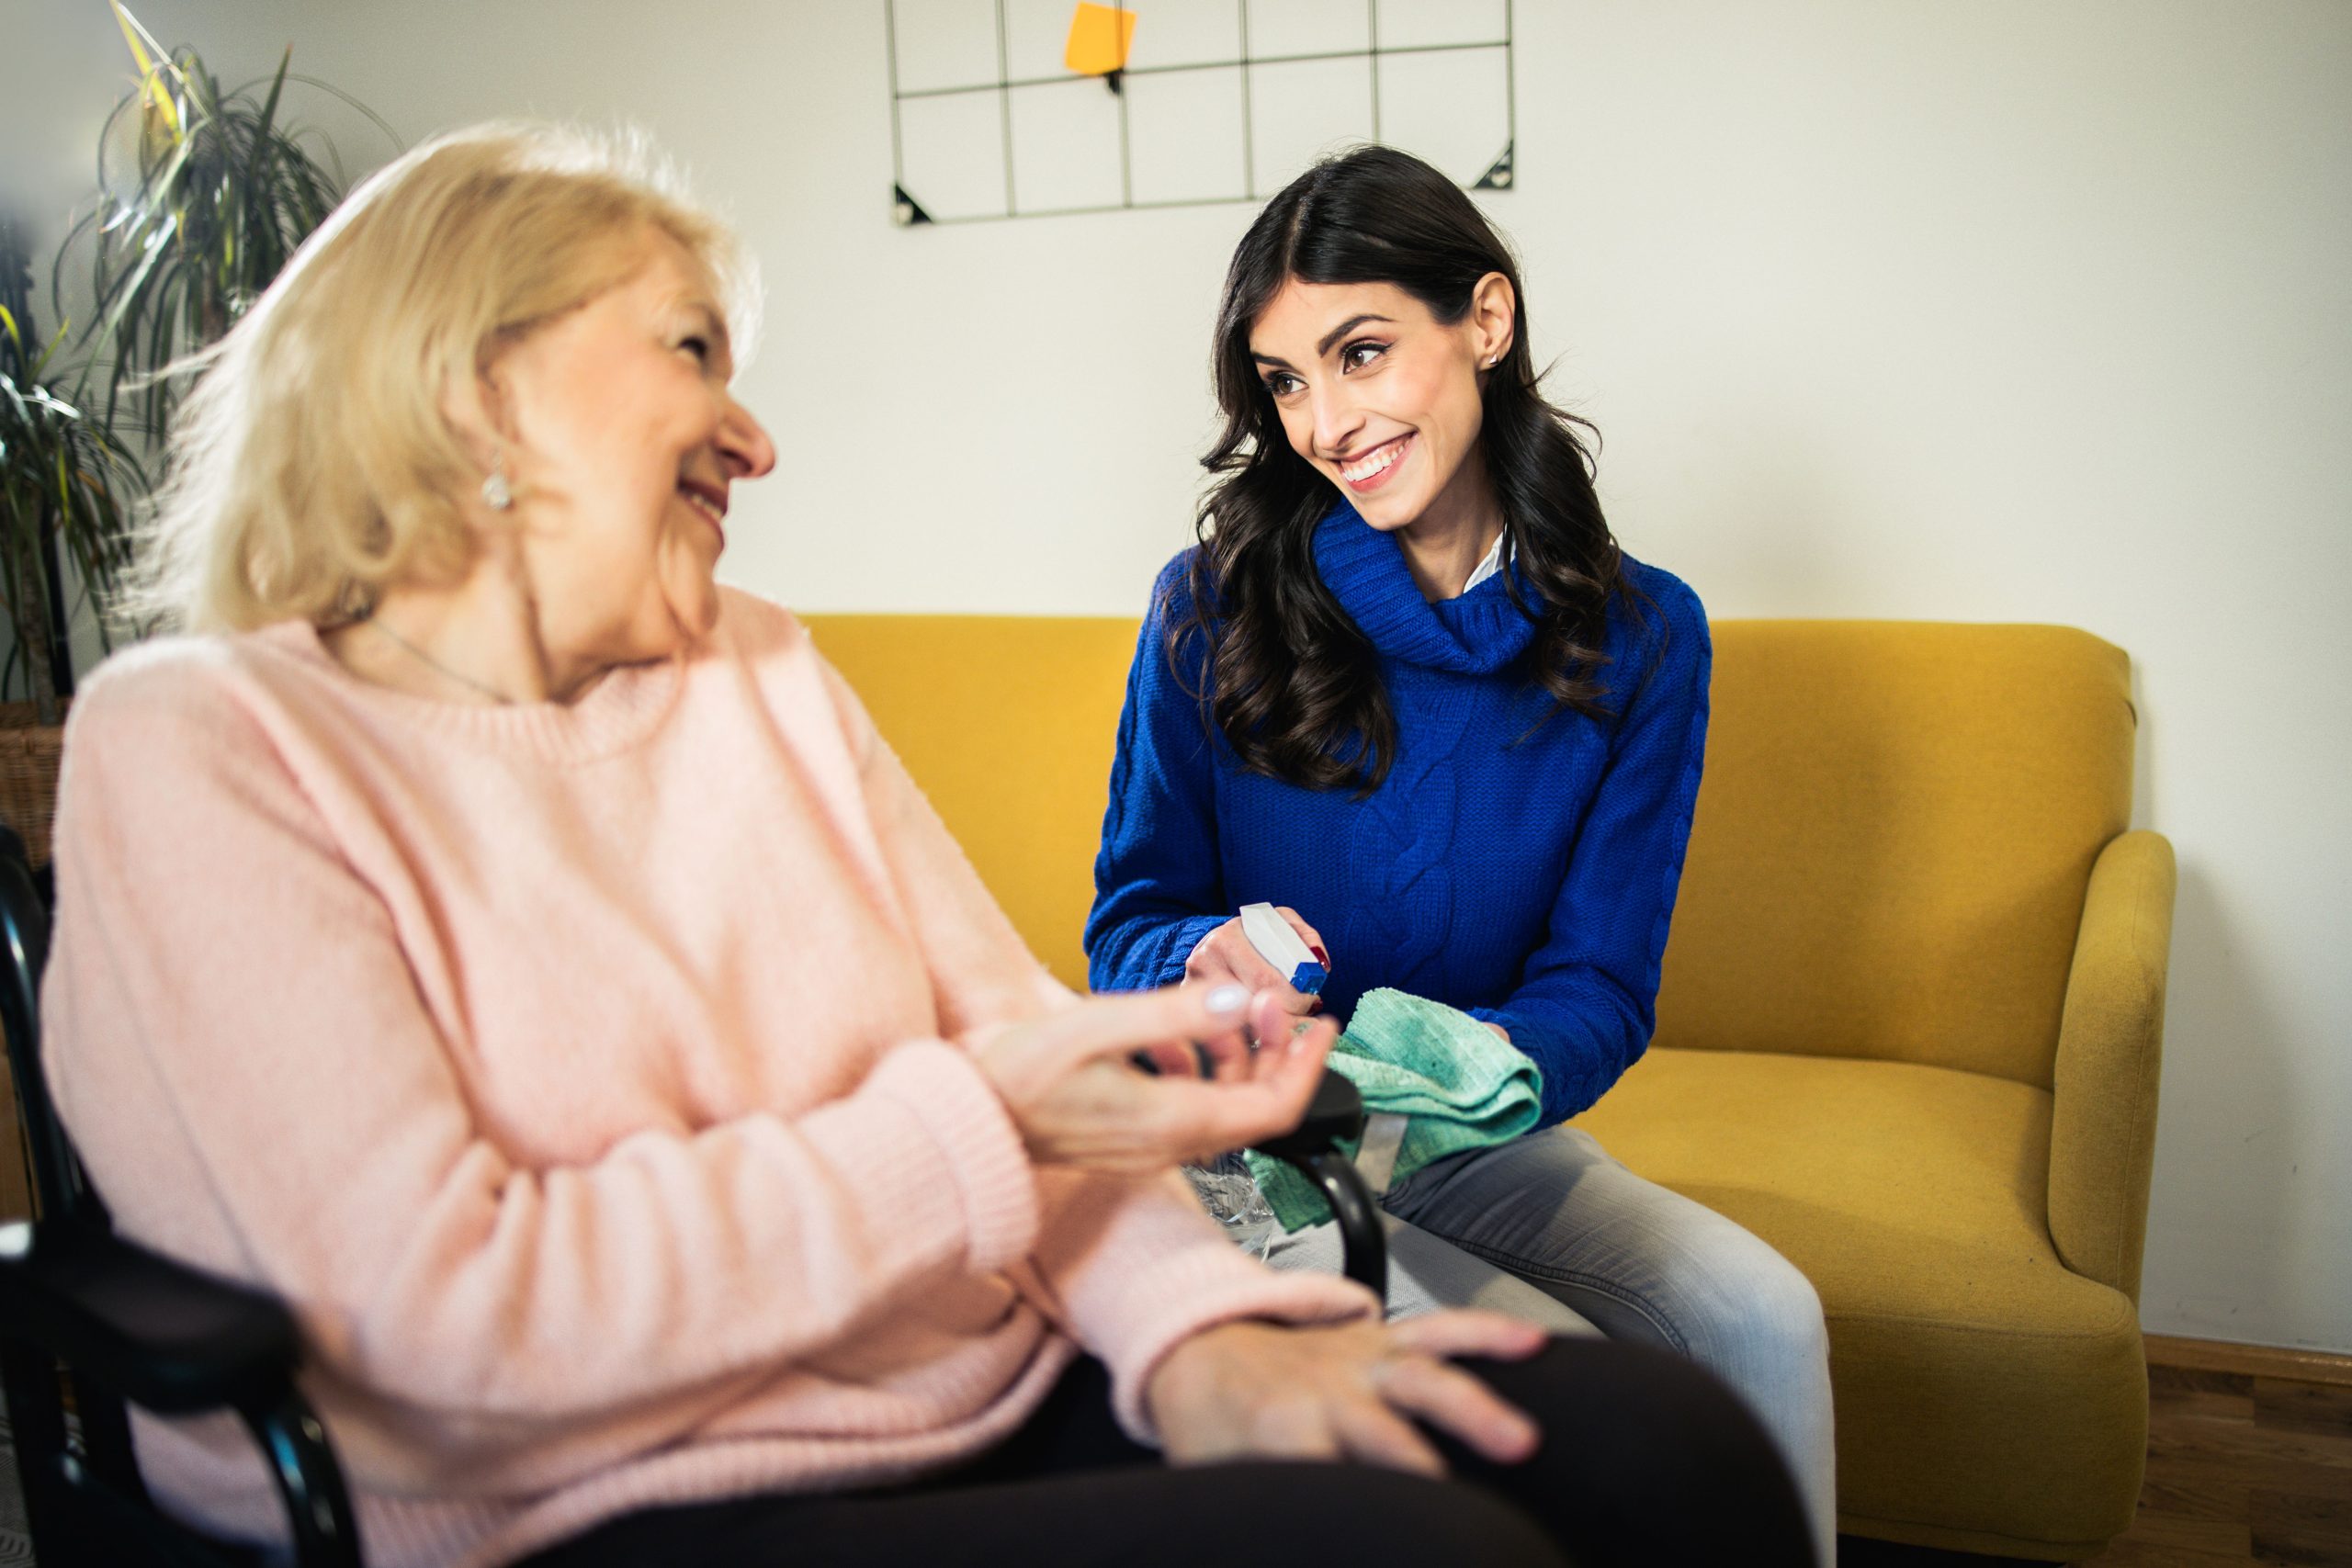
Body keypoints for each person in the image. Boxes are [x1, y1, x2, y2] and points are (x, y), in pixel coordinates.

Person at [41, 124, 1812, 1568]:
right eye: (689, 355)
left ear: (1480, 329)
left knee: (1662, 1446)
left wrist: (1196, 1342)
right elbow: (442, 1316)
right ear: (474, 388)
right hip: (566, 1487)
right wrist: (1019, 1121)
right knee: (1440, 1545)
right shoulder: (199, 743)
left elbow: (1012, 1055)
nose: (754, 435)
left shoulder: (756, 666)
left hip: (946, 1362)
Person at [1086, 145, 1839, 1562]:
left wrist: (1468, 1077)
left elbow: (1601, 987)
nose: (1324, 419)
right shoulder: (1208, 606)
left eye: (1359, 353)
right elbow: (1128, 918)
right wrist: (1202, 958)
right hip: (1246, 1147)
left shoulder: (1646, 638)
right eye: (1286, 383)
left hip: (1462, 1132)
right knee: (1559, 1390)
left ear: (1484, 323)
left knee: (1761, 1315)